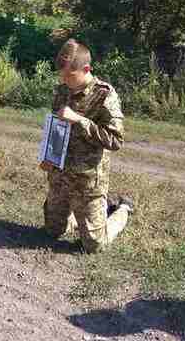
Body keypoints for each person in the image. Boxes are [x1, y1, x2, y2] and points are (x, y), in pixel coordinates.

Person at [40, 38, 133, 253]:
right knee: (53, 231)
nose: (64, 80)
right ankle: (77, 212)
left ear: (86, 69)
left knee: (94, 245)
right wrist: (48, 156)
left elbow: (115, 140)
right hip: (60, 175)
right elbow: (56, 128)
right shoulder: (62, 90)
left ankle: (123, 208)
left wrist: (80, 120)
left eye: (69, 76)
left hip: (88, 180)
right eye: (61, 75)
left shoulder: (104, 94)